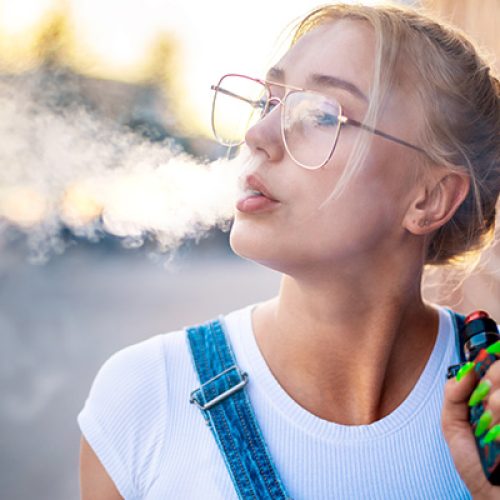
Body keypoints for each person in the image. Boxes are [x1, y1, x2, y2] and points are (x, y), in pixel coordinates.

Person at [78, 3, 500, 499]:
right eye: (268, 104)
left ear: (427, 197)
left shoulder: (490, 409)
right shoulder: (145, 396)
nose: (257, 136)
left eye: (321, 114)